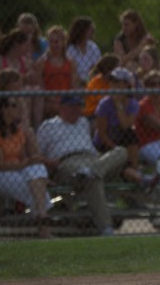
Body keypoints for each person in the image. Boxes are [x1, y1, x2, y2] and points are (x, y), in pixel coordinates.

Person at [37, 95, 129, 236]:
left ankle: (91, 171)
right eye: (73, 107)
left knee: (121, 151)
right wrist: (49, 167)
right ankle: (106, 228)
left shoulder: (83, 122)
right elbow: (38, 154)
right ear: (62, 108)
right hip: (67, 162)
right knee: (92, 180)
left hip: (92, 159)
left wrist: (96, 163)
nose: (77, 110)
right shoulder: (48, 126)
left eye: (79, 106)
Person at [0, 97, 52, 237]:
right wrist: (26, 164)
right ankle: (44, 227)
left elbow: (25, 159)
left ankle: (42, 220)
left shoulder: (18, 132)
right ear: (3, 110)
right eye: (13, 105)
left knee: (37, 169)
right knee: (39, 193)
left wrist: (30, 165)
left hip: (16, 170)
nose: (17, 109)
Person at [93, 67, 158, 190]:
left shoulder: (132, 104)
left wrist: (119, 106)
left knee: (130, 133)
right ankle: (140, 178)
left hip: (123, 141)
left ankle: (135, 171)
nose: (113, 85)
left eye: (118, 82)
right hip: (106, 143)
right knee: (121, 160)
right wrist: (117, 151)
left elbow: (125, 125)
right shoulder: (104, 104)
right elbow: (102, 134)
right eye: (112, 82)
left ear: (127, 85)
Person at [83, 53, 121, 120]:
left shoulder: (114, 82)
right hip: (93, 114)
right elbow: (101, 102)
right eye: (117, 68)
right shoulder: (95, 82)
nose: (120, 71)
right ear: (109, 69)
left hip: (109, 113)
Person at [66, 16, 101, 84]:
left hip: (91, 81)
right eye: (90, 30)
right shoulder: (70, 49)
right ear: (82, 30)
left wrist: (88, 80)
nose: (93, 31)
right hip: (75, 82)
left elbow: (96, 68)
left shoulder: (93, 47)